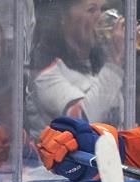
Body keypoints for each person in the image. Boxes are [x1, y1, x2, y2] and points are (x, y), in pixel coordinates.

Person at [25, 0, 124, 142]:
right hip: (65, 163)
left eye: (103, 10)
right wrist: (114, 64)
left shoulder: (100, 65)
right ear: (63, 17)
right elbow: (82, 121)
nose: (101, 18)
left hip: (107, 161)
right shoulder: (45, 72)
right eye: (91, 10)